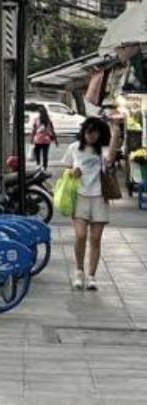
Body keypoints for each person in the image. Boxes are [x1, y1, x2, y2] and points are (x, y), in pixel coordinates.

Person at [62, 117, 114, 291]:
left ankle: (92, 276)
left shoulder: (103, 150)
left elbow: (111, 157)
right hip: (79, 197)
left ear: (100, 134)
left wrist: (116, 131)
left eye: (95, 132)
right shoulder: (74, 148)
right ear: (84, 132)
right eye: (89, 132)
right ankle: (79, 271)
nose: (91, 135)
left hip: (99, 198)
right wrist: (72, 172)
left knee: (96, 239)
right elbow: (65, 170)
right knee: (81, 235)